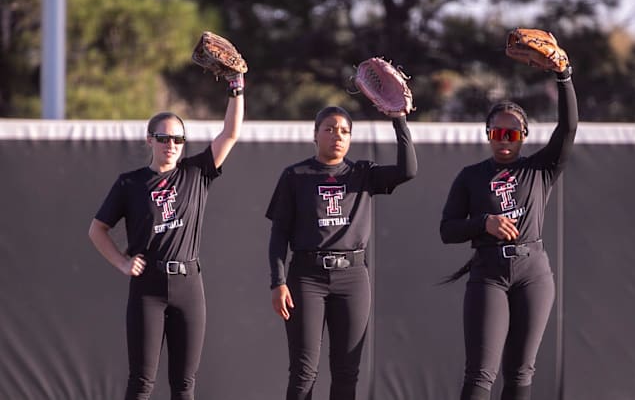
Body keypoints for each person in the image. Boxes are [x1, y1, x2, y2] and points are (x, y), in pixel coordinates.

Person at [87, 74, 245, 400]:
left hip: (188, 284)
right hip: (148, 287)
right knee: (142, 382)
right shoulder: (130, 183)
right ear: (149, 140)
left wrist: (237, 88)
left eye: (178, 140)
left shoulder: (195, 172)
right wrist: (121, 262)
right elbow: (97, 229)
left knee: (184, 385)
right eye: (163, 138)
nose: (171, 145)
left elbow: (230, 133)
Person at [439, 58, 578, 399]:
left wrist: (564, 76)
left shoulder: (539, 169)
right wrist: (483, 223)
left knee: (520, 372)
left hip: (533, 273)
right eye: (498, 132)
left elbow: (569, 128)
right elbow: (447, 230)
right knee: (481, 374)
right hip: (489, 273)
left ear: (523, 136)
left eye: (512, 133)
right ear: (488, 135)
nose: (504, 139)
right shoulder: (471, 176)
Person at [266, 106, 417, 400]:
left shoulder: (362, 173)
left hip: (352, 277)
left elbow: (408, 170)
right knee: (303, 371)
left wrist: (399, 119)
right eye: (330, 129)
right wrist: (278, 281)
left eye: (345, 131)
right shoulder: (296, 175)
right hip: (307, 277)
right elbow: (279, 235)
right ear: (315, 134)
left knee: (347, 372)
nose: (338, 135)